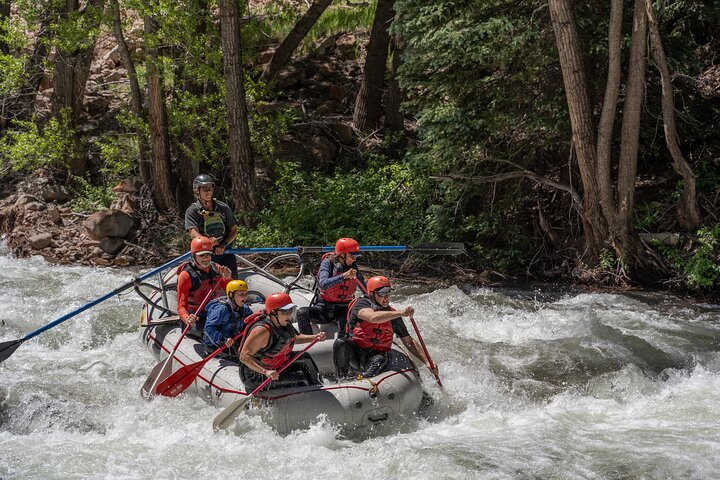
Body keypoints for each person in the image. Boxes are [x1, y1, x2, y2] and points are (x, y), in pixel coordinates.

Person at [334, 275, 439, 379]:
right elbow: (372, 317)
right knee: (340, 343)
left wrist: (427, 362)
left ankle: (364, 382)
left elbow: (408, 341)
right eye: (381, 293)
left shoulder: (393, 314)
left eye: (388, 293)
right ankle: (341, 379)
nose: (386, 297)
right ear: (371, 294)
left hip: (375, 357)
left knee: (380, 360)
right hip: (355, 353)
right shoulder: (361, 304)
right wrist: (401, 313)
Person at [239, 292, 326, 392]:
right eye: (285, 311)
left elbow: (293, 338)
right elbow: (244, 356)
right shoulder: (261, 331)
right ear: (273, 312)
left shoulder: (283, 322)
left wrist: (315, 337)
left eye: (290, 310)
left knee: (305, 358)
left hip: (277, 365)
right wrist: (265, 371)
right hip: (256, 374)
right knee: (301, 379)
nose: (288, 314)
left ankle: (319, 387)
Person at [297, 237, 366, 337]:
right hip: (324, 308)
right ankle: (307, 342)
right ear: (342, 255)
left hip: (344, 308)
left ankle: (343, 345)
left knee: (345, 321)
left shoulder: (354, 268)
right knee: (302, 313)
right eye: (352, 256)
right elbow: (323, 283)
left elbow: (364, 288)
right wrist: (343, 276)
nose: (354, 259)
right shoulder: (327, 264)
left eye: (356, 257)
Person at [184, 174, 239, 279]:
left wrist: (223, 245)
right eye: (204, 188)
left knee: (232, 280)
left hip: (225, 252)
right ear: (197, 191)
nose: (208, 191)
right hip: (205, 255)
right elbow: (193, 232)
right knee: (209, 282)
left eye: (210, 188)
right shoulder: (192, 211)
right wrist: (207, 242)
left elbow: (234, 230)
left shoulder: (223, 207)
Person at [177, 235, 232, 338]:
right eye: (202, 255)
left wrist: (228, 277)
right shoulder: (185, 276)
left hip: (215, 311)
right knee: (211, 333)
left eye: (208, 254)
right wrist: (187, 318)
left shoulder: (217, 268)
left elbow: (230, 289)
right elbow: (181, 307)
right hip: (197, 316)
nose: (206, 258)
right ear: (194, 256)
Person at [202, 280, 253, 358]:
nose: (245, 297)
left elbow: (252, 319)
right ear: (231, 295)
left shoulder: (244, 308)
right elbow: (209, 328)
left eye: (246, 294)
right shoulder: (221, 309)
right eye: (241, 294)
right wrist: (223, 340)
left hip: (232, 342)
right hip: (216, 345)